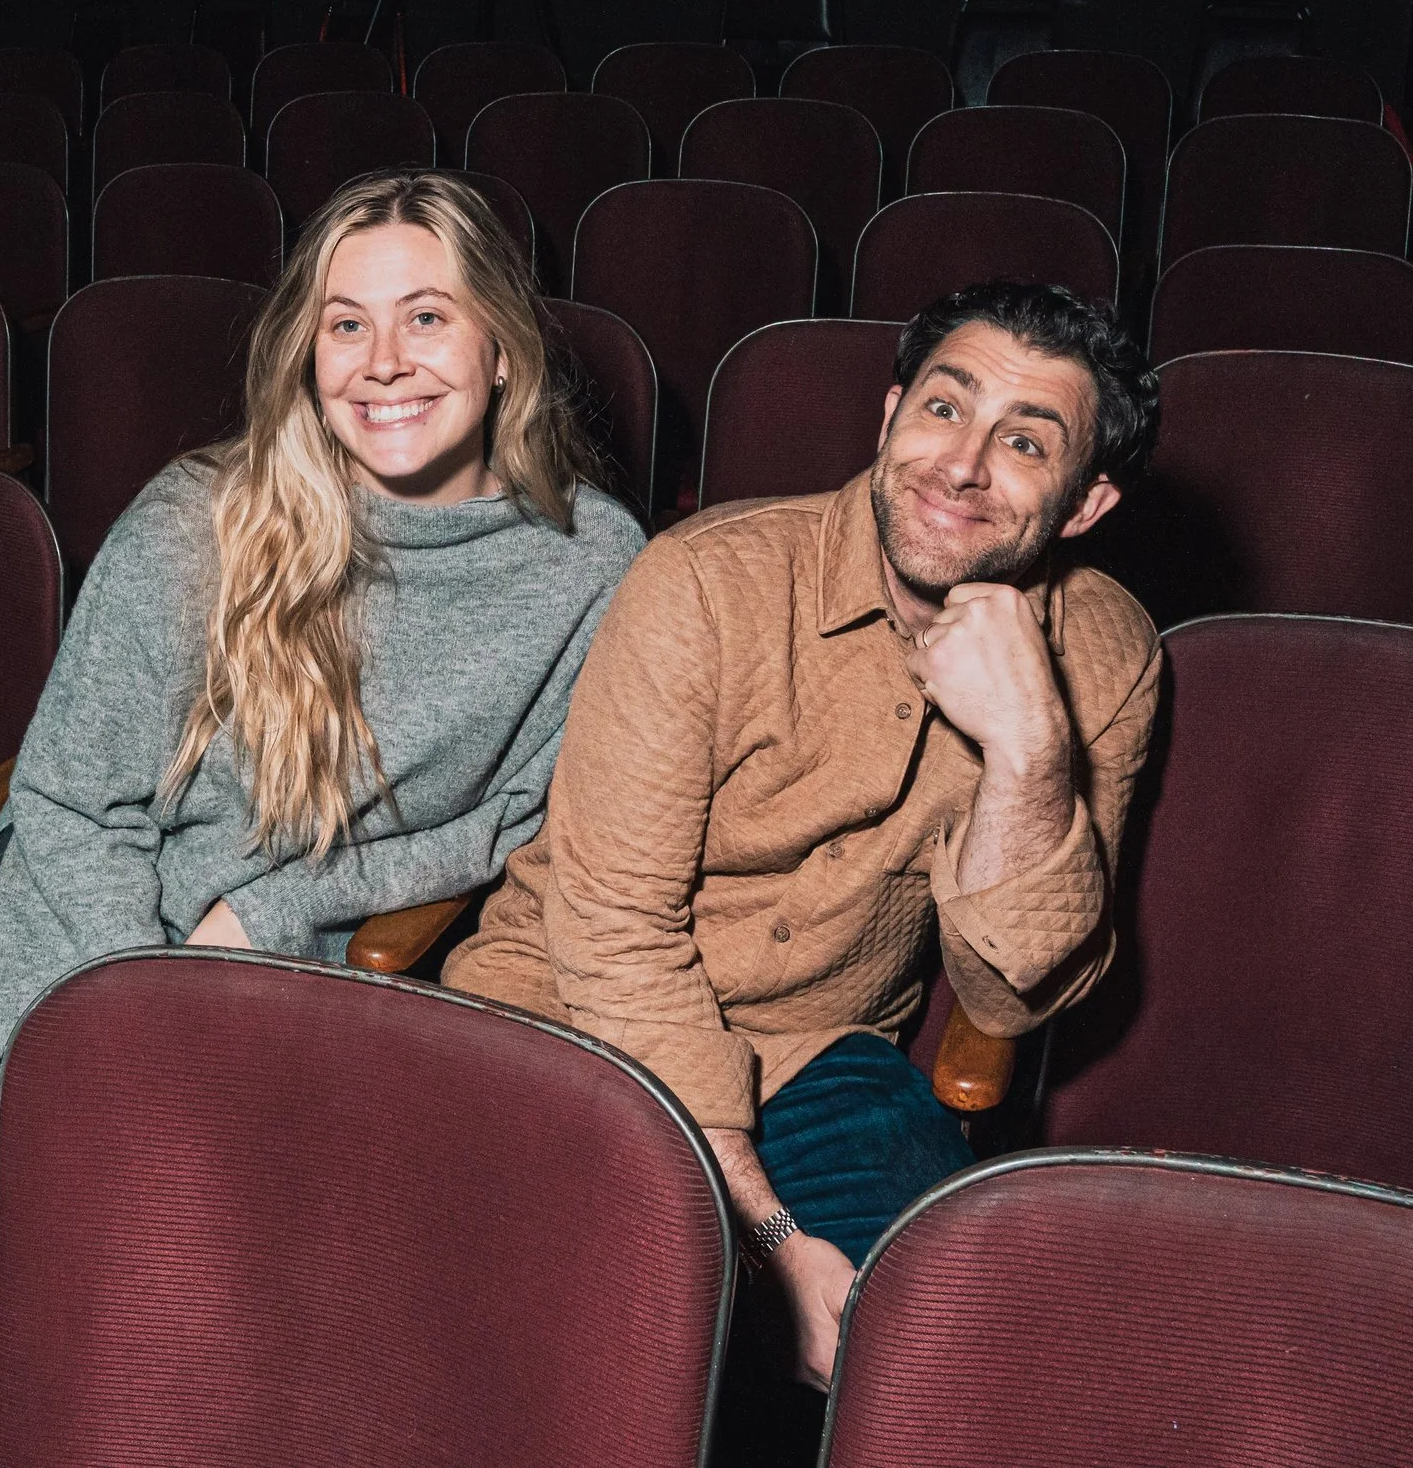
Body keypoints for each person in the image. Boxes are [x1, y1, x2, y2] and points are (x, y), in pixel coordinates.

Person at [445, 281, 1163, 1400]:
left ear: (1085, 502)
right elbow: (615, 935)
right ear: (888, 416)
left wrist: (1029, 744)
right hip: (567, 1012)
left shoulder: (1108, 651)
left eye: (1025, 442)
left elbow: (1013, 991)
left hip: (818, 1052)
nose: (962, 465)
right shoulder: (703, 582)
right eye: (942, 408)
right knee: (568, 1347)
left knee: (939, 1353)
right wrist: (770, 1234)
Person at [0, 170, 646, 1109]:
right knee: (155, 1191)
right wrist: (147, 1005)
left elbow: (515, 825)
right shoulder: (199, 524)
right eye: (347, 324)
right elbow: (73, 807)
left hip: (302, 968)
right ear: (310, 360)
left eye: (427, 317)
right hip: (84, 937)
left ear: (502, 351)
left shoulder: (591, 563)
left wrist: (275, 910)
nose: (384, 363)